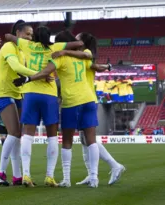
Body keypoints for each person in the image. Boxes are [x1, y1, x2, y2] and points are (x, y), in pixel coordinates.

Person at [14, 31, 104, 188]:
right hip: (89, 99)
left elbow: (45, 72)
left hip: (71, 101)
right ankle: (94, 178)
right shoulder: (83, 55)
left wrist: (28, 78)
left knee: (67, 141)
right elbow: (94, 64)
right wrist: (107, 66)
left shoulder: (59, 57)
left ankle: (66, 179)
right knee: (91, 141)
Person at [5, 26, 83, 187]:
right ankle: (49, 176)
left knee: (27, 134)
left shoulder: (27, 45)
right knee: (52, 136)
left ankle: (26, 175)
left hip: (30, 93)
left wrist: (17, 38)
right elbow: (79, 43)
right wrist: (64, 51)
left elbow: (7, 36)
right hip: (49, 95)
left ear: (34, 37)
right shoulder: (54, 47)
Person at [72, 32, 126, 186]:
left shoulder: (86, 55)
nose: (73, 41)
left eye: (76, 39)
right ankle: (92, 173)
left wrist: (107, 67)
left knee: (89, 140)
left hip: (86, 98)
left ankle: (113, 166)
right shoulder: (80, 56)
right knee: (84, 139)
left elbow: (95, 66)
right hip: (81, 98)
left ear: (83, 42)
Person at [0, 20, 38, 186]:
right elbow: (16, 66)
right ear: (18, 33)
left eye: (31, 35)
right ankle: (1, 172)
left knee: (17, 135)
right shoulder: (8, 47)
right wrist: (39, 74)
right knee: (14, 132)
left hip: (18, 95)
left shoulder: (23, 50)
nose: (30, 38)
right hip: (3, 94)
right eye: (27, 34)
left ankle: (17, 176)